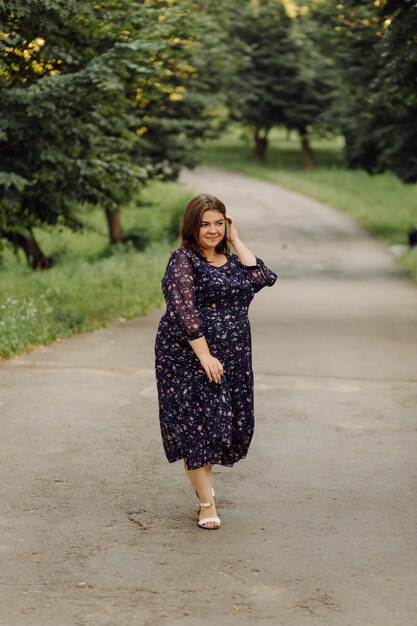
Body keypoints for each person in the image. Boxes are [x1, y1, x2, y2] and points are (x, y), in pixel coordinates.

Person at [154, 193, 277, 530]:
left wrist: (236, 239)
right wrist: (204, 354)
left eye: (218, 224)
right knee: (197, 427)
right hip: (187, 356)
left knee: (221, 425)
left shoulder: (233, 261)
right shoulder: (183, 260)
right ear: (192, 227)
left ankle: (204, 493)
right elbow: (184, 310)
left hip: (234, 356)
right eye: (204, 224)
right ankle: (207, 503)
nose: (212, 230)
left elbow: (261, 276)